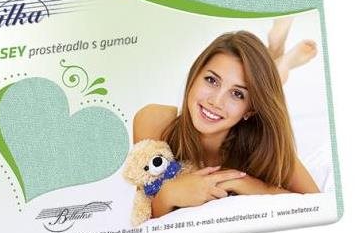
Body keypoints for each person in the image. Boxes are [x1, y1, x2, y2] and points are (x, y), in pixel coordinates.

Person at [133, 19, 319, 218]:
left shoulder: (263, 142)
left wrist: (246, 184)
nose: (216, 101)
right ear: (194, 75)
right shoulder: (154, 121)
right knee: (266, 79)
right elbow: (145, 212)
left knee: (264, 86)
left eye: (237, 94)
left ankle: (280, 61)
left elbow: (317, 203)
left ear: (250, 111)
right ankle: (279, 62)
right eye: (211, 80)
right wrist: (169, 193)